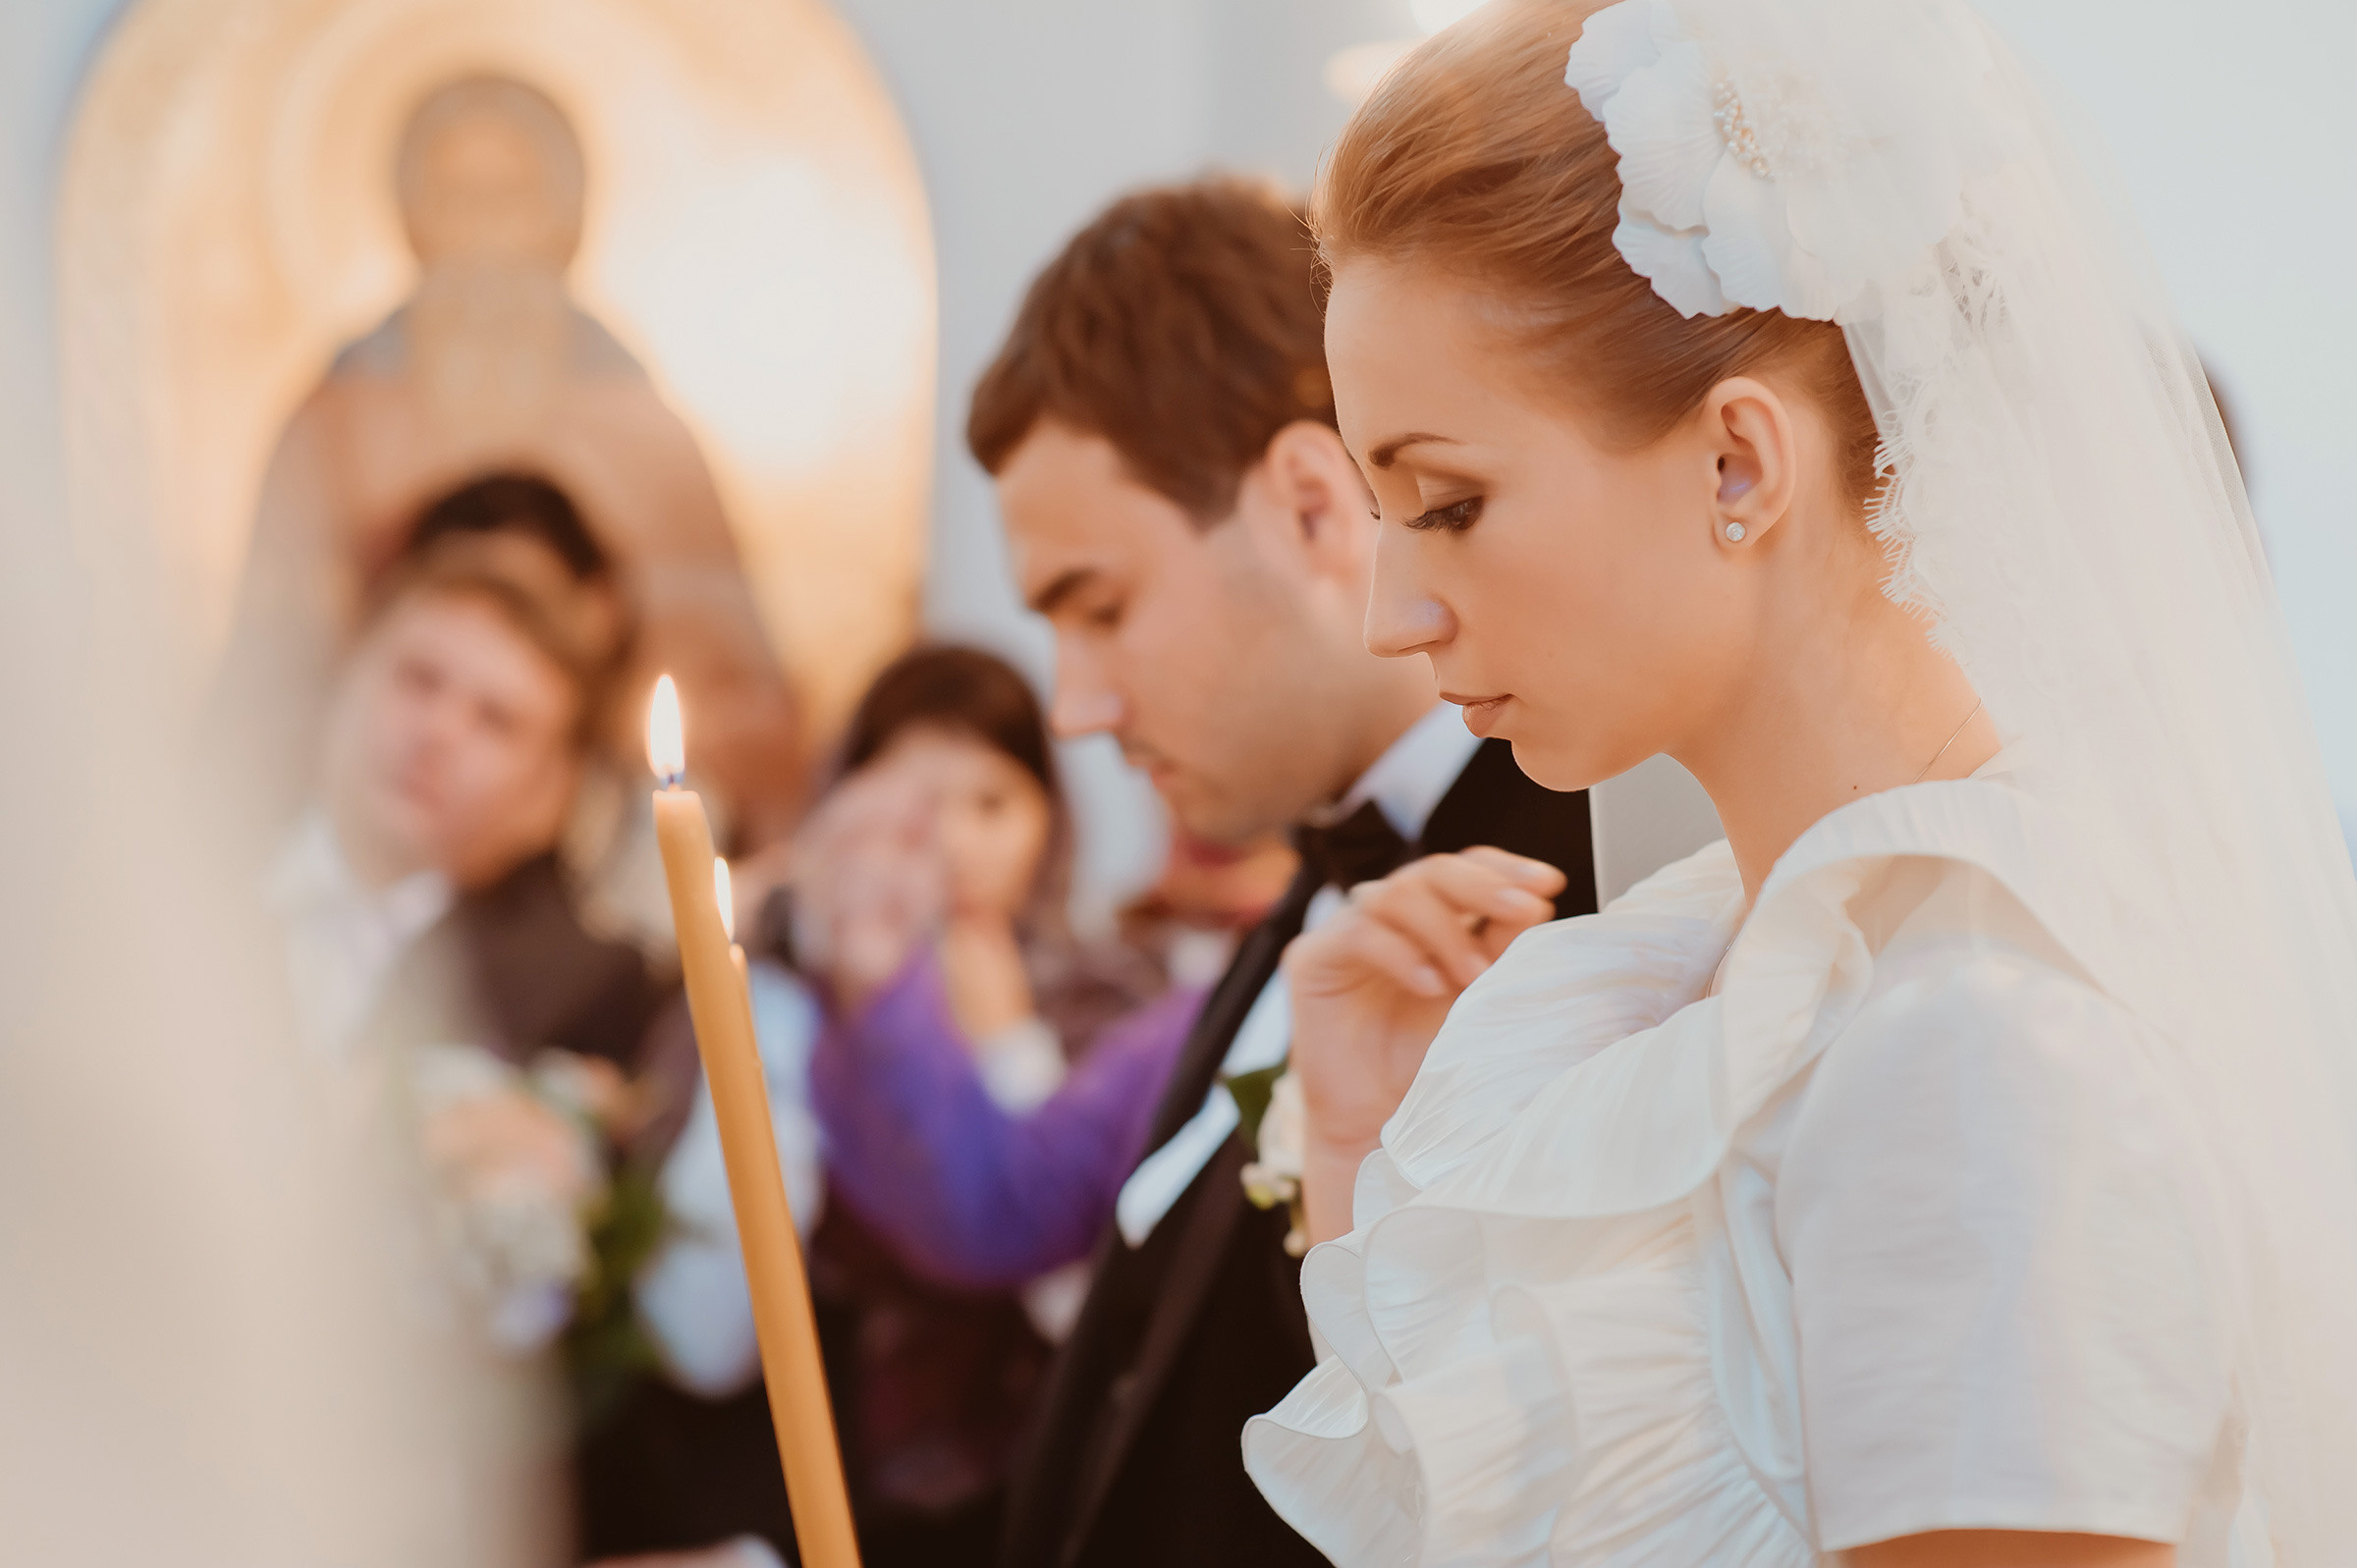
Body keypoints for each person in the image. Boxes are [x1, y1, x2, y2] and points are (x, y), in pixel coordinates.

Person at [1247, 4, 2357, 1567]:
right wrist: (1358, 1153)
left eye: (1447, 502)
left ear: (1740, 467)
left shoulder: (1967, 1047)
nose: (1391, 612)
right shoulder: (1714, 973)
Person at [962, 179, 1611, 1568]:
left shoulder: (1575, 895)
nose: (1072, 704)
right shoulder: (1307, 893)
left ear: (1315, 509)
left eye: (1101, 606)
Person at [213, 74, 799, 844]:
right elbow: (261, 678)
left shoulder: (640, 432)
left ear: (563, 216)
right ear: (411, 216)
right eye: (457, 197)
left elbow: (738, 693)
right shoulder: (335, 418)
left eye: (512, 197)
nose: (484, 232)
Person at [761, 644, 1170, 1564]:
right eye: (913, 800)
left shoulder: (1113, 999)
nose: (950, 840)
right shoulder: (777, 980)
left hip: (1035, 1478)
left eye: (990, 803)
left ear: (1050, 822)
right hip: (792, 1463)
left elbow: (1092, 1295)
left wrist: (1005, 1043)